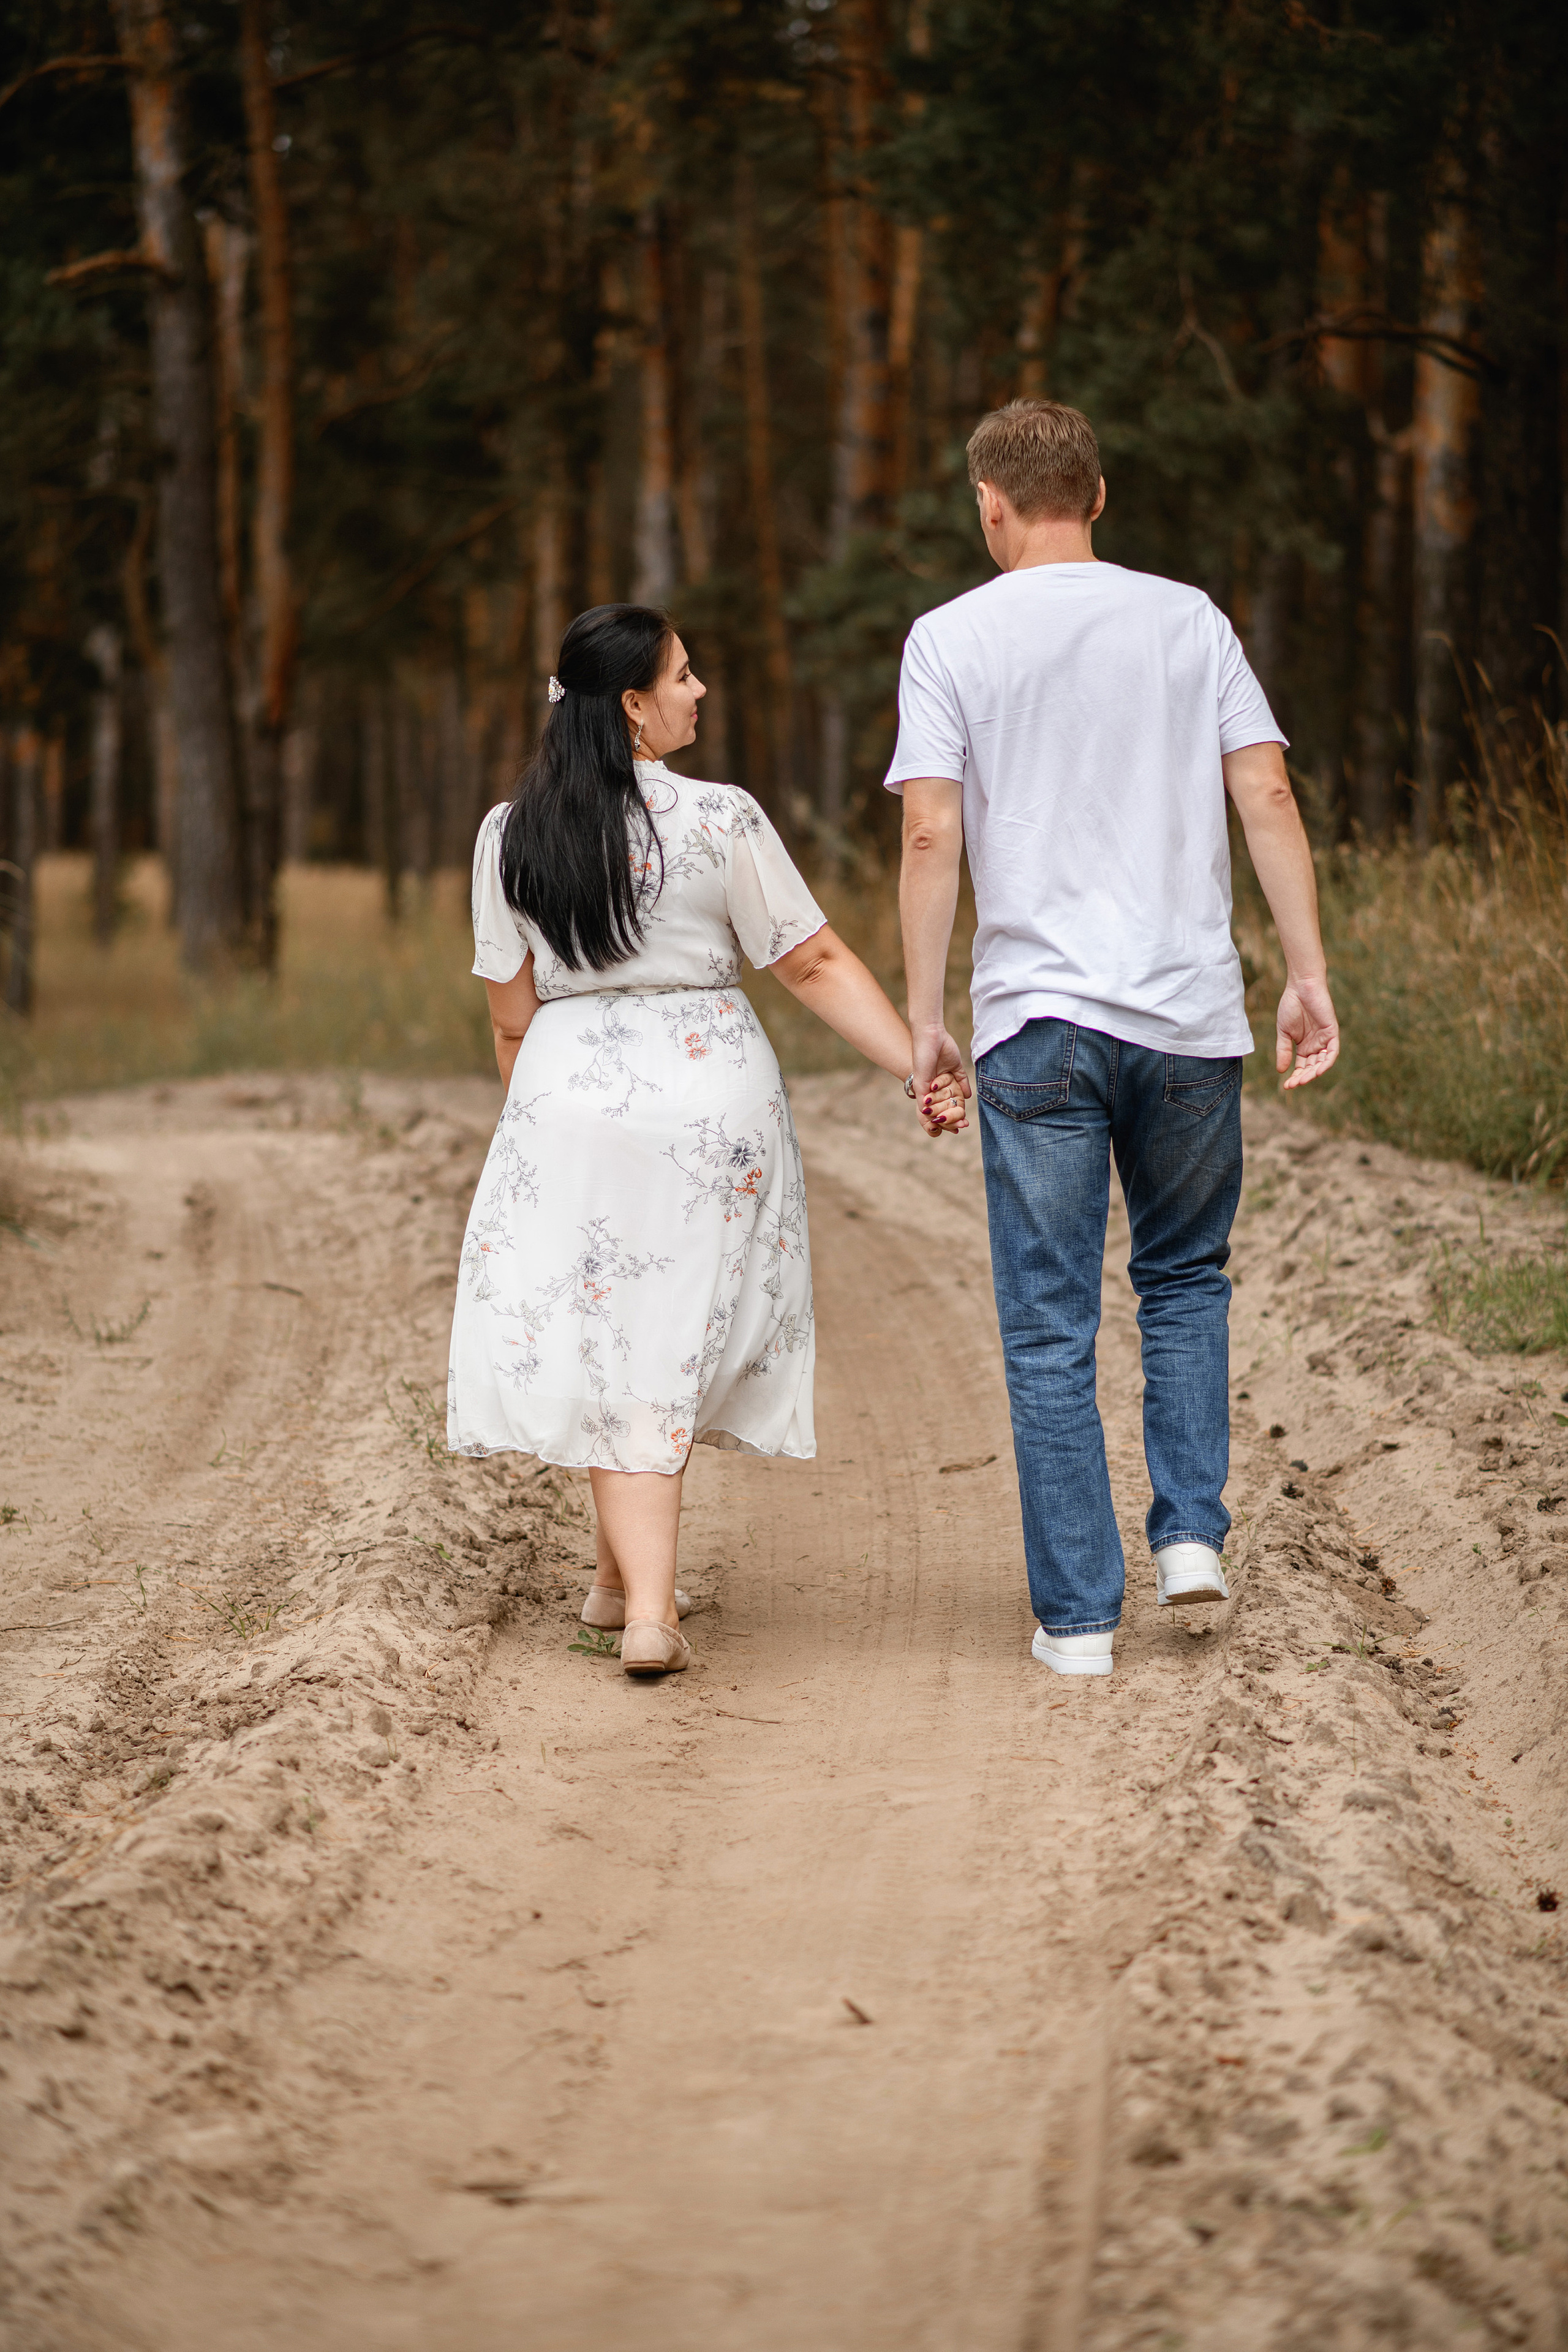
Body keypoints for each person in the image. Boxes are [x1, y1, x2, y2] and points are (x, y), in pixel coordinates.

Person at [891, 399, 1340, 1679]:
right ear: (1098, 496)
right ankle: (1190, 1537)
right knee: (1184, 1279)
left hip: (1035, 1024)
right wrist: (1302, 972)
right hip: (1188, 1017)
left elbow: (930, 833)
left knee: (1047, 1325)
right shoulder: (1186, 618)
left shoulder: (948, 638)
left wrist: (927, 1019)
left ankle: (1079, 1621)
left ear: (990, 505)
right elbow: (1263, 788)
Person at [448, 603, 965, 1678]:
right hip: (705, 1097)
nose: (700, 692)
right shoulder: (721, 819)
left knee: (610, 1336)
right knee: (660, 1335)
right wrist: (915, 1057)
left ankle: (613, 1582)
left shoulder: (511, 833)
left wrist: (543, 1123)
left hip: (569, 1096)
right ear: (632, 705)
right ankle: (650, 1615)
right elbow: (812, 964)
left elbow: (510, 1016)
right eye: (684, 676)